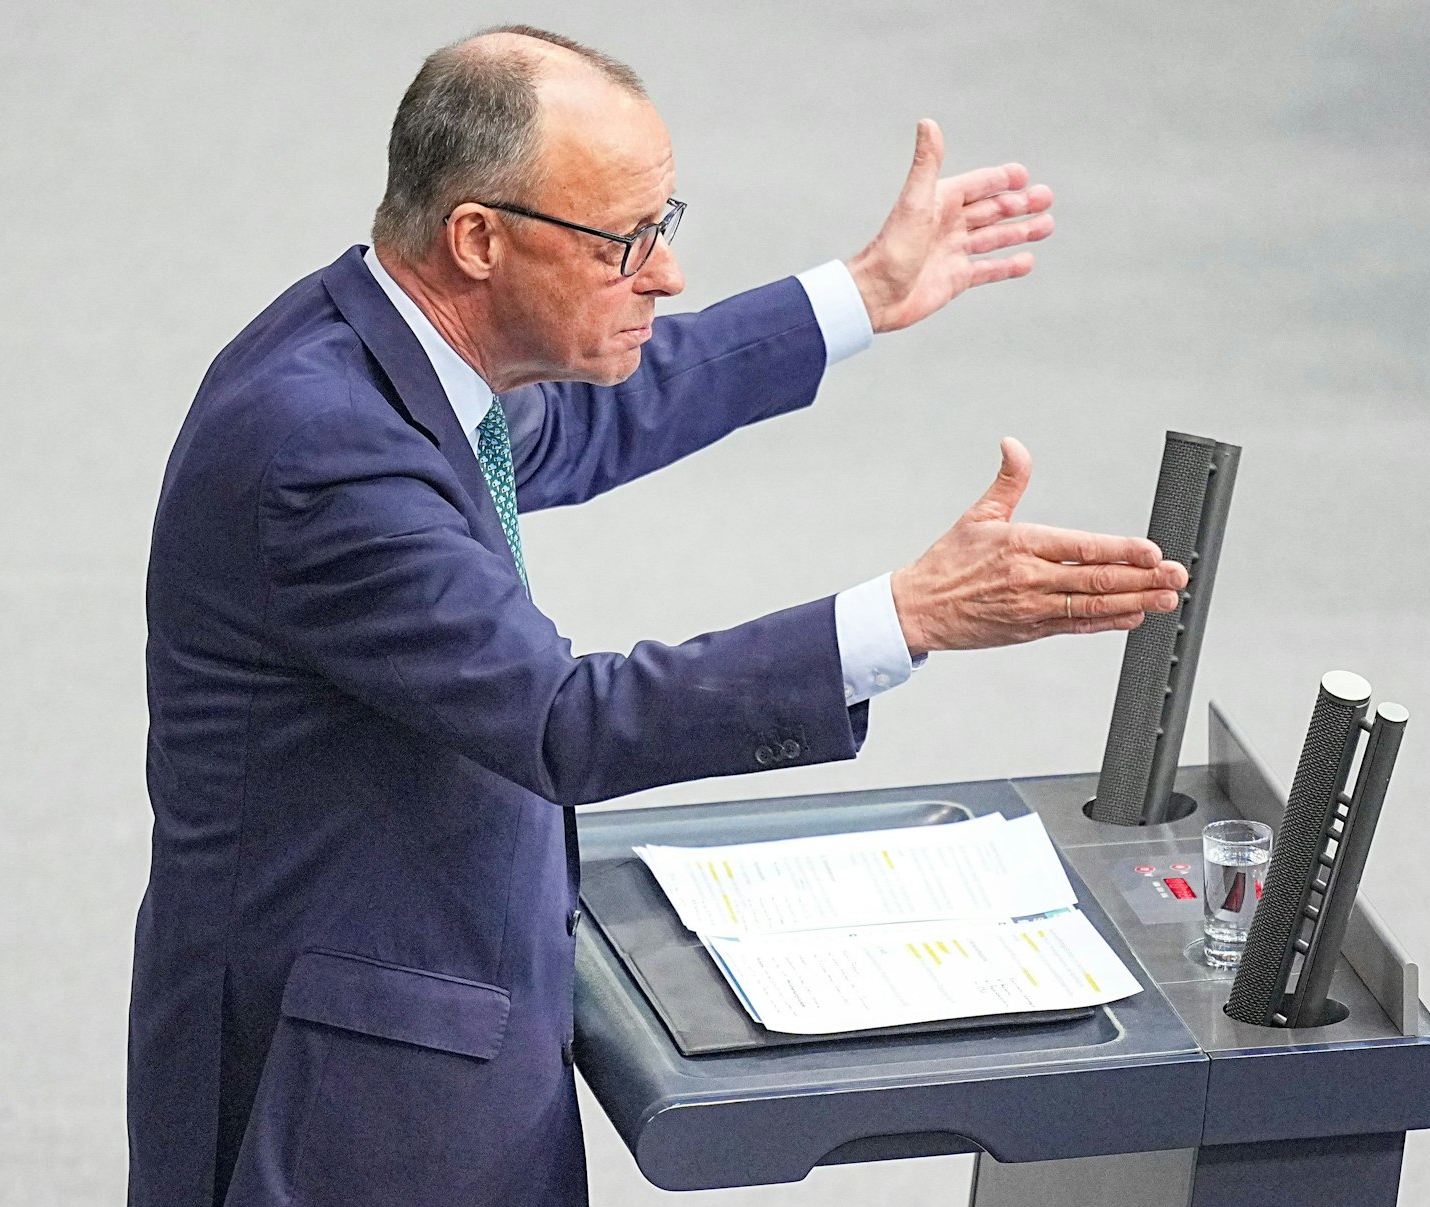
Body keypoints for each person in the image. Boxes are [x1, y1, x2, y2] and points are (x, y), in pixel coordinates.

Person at [129, 24, 1187, 1207]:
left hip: (434, 1011)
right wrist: (905, 615)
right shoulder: (323, 448)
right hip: (343, 1092)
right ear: (477, 238)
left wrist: (859, 295)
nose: (664, 273)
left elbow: (585, 422)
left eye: (661, 226)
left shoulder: (396, 348)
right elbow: (562, 722)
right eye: (623, 242)